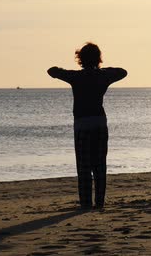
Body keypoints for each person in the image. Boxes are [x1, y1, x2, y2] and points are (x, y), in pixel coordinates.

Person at [47, 42, 127, 210]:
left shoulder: (76, 77)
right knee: (99, 165)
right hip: (98, 122)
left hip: (83, 124)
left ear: (80, 59)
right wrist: (100, 70)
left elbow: (52, 71)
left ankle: (85, 203)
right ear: (98, 59)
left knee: (84, 166)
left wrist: (78, 71)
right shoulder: (103, 76)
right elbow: (122, 72)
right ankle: (99, 202)